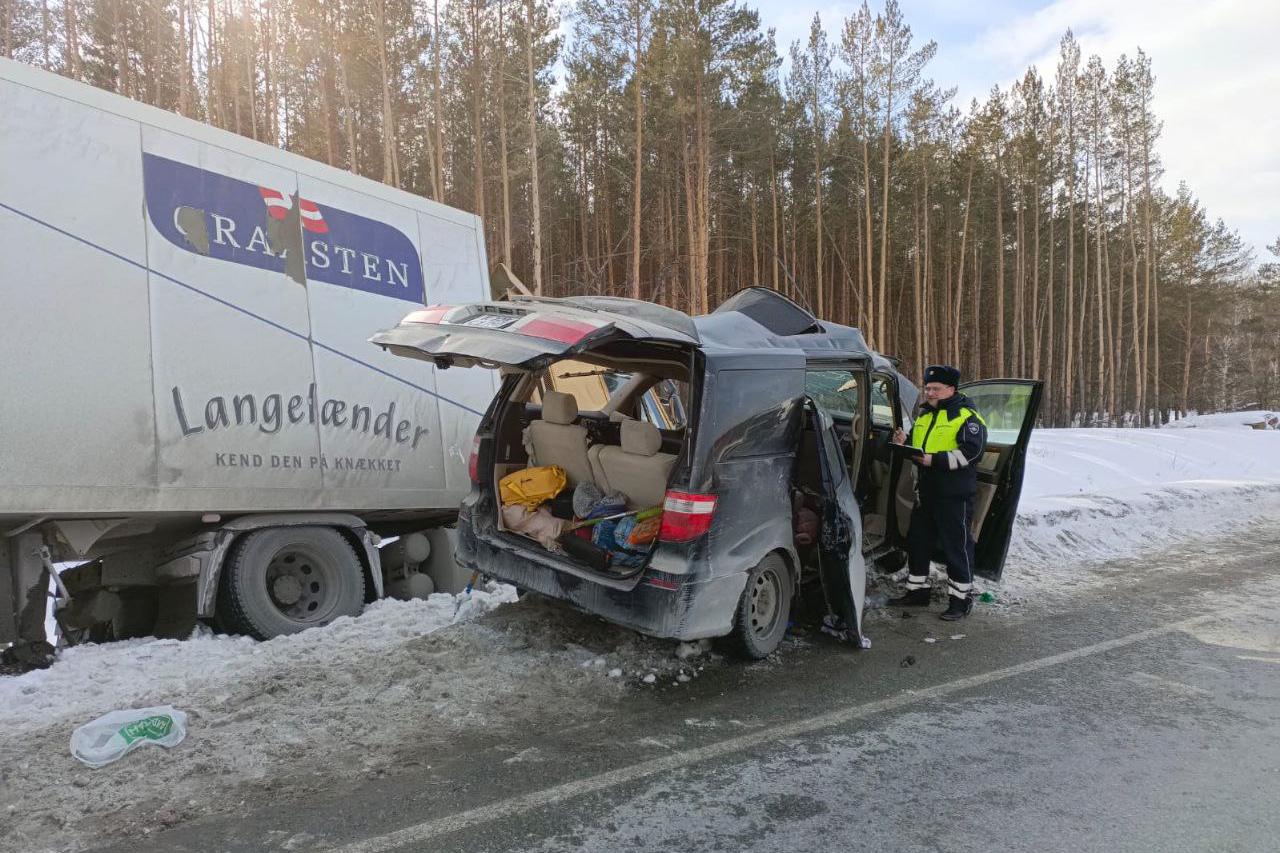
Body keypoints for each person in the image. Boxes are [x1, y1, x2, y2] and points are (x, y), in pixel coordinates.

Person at [889, 364, 988, 621]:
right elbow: (918, 447)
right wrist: (904, 443)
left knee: (957, 548)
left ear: (951, 389)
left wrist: (935, 460)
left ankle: (960, 601)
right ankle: (917, 592)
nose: (929, 393)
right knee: (918, 542)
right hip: (925, 493)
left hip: (953, 496)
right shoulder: (924, 416)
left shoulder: (967, 417)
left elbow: (972, 453)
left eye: (935, 388)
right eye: (927, 388)